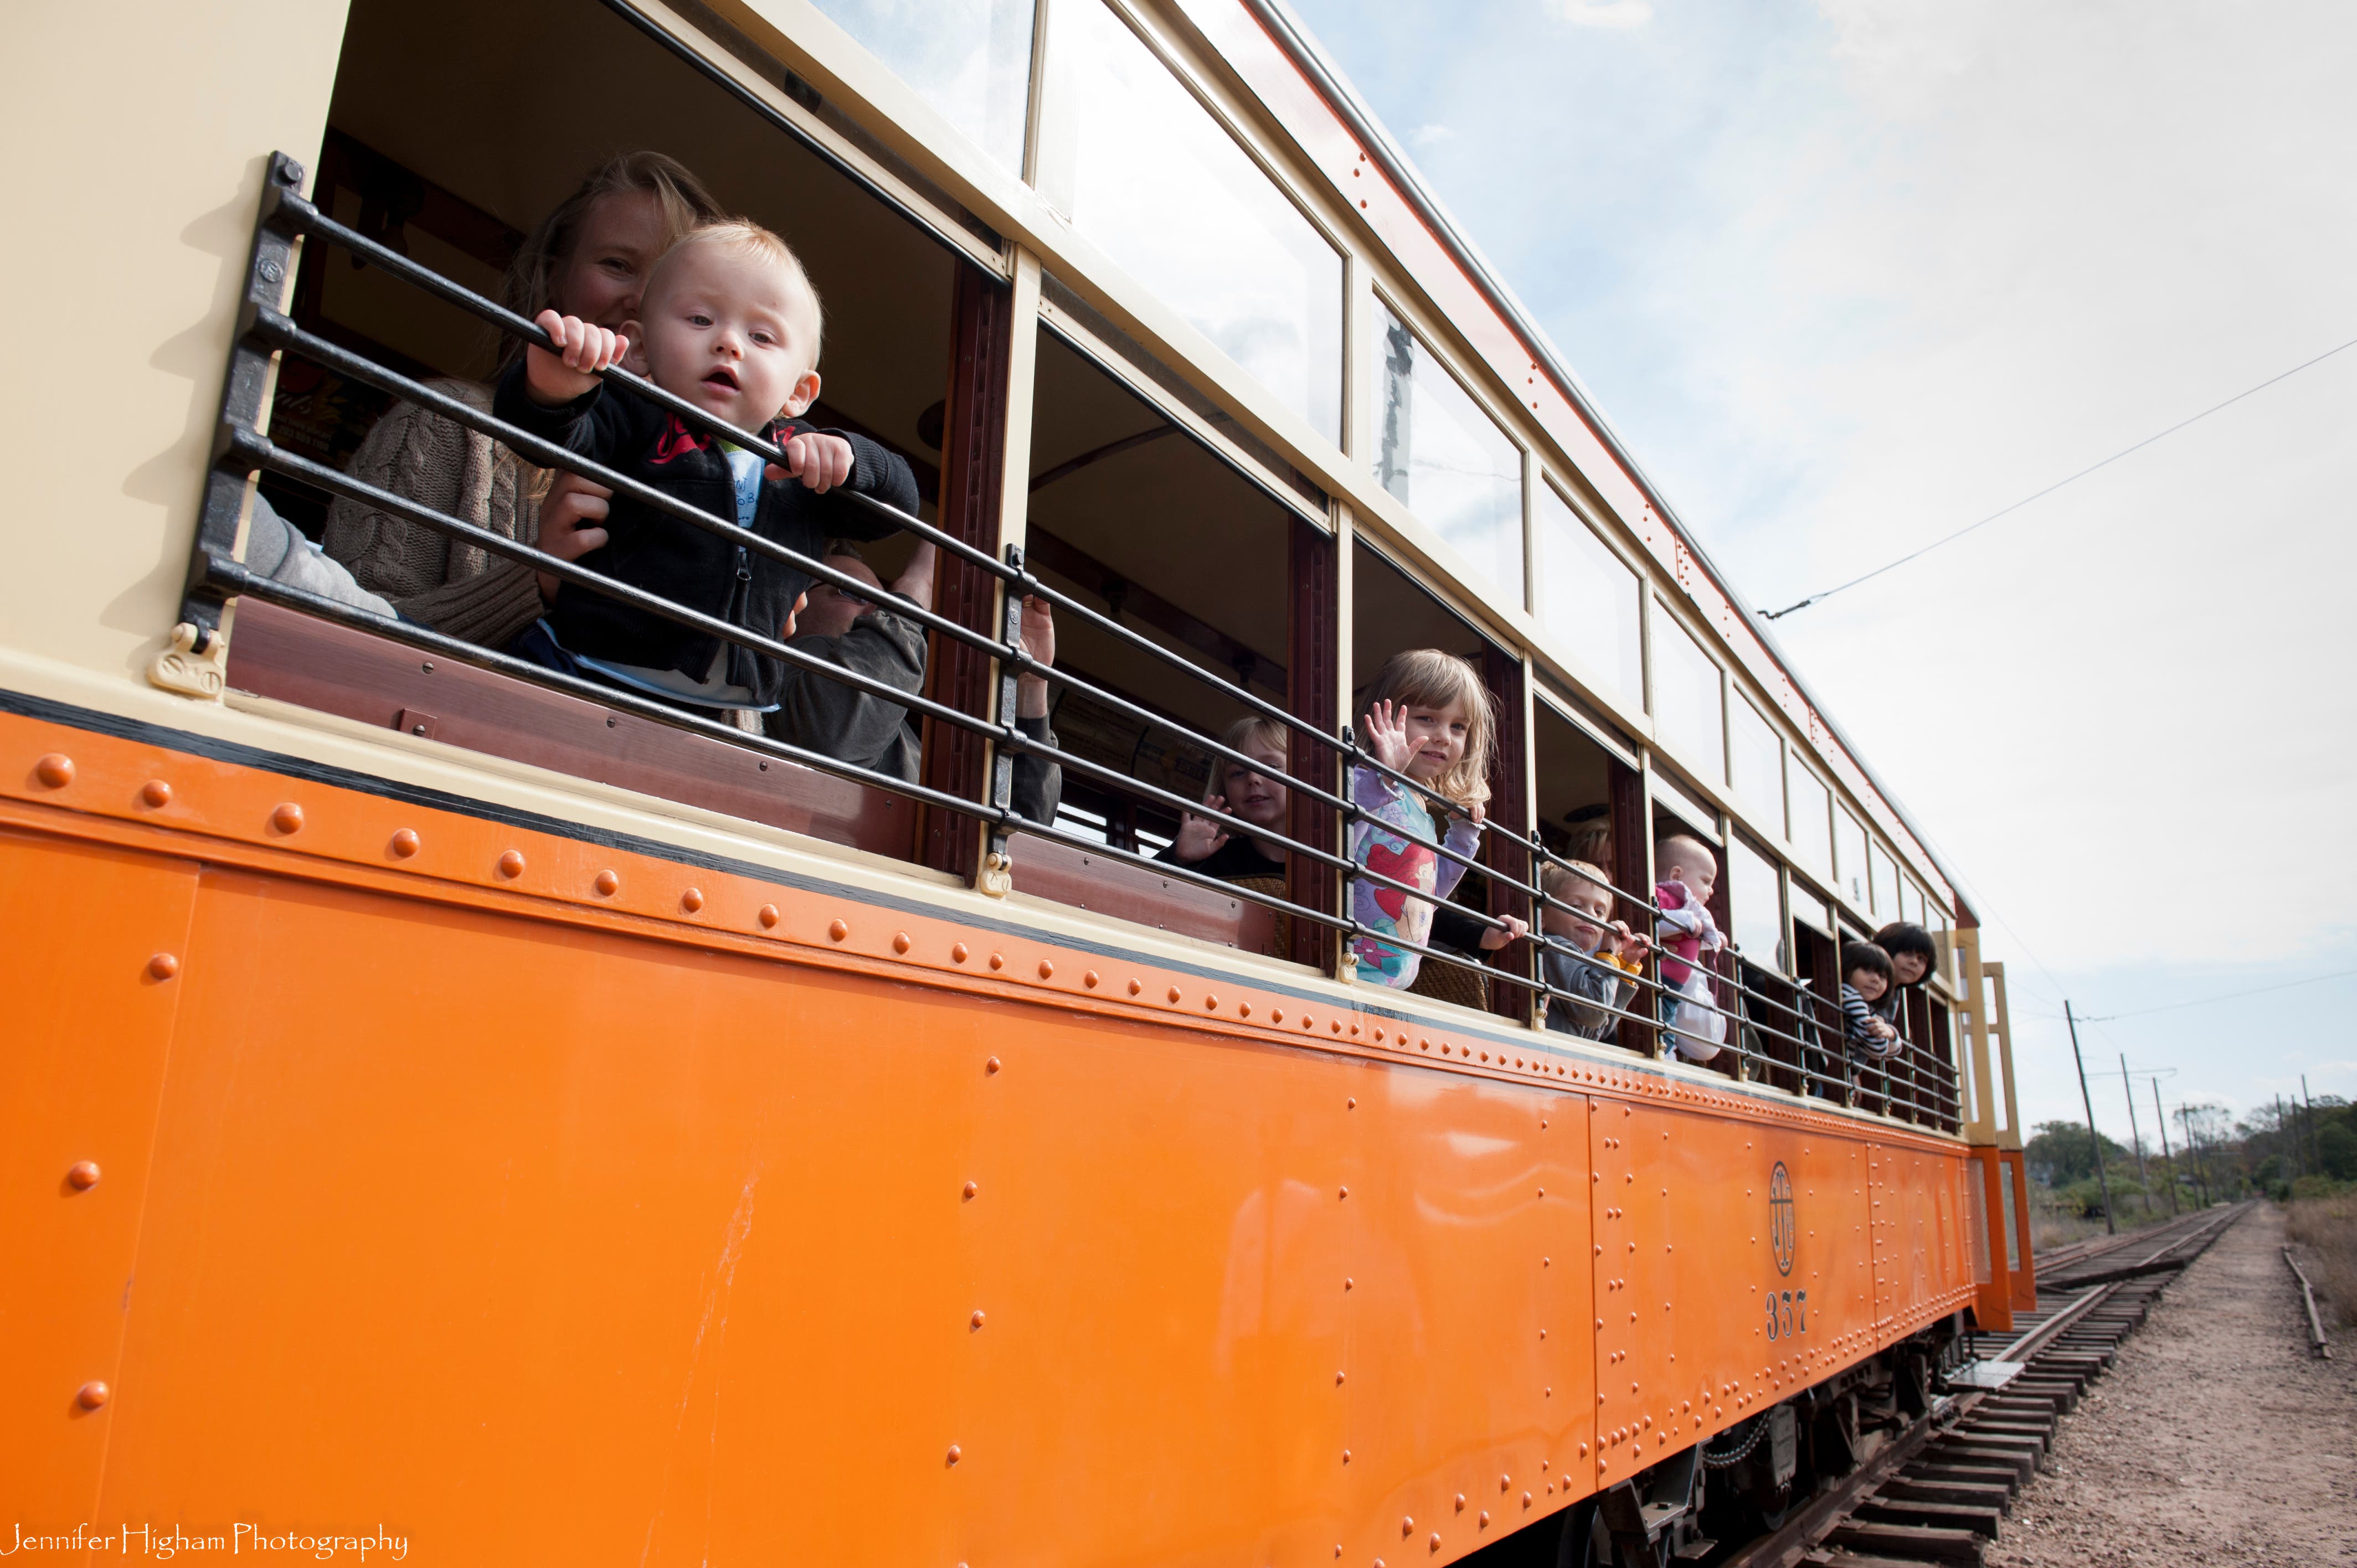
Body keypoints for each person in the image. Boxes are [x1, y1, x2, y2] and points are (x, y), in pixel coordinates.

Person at [493, 220, 919, 711]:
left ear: (798, 392)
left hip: (725, 703)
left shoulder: (799, 456)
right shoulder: (634, 412)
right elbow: (547, 439)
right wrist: (554, 387)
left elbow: (896, 510)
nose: (729, 344)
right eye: (700, 320)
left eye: (761, 336)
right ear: (640, 348)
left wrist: (852, 458)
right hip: (583, 665)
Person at [323, 152, 728, 647]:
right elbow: (337, 632)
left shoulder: (723, 488)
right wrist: (536, 579)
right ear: (555, 274)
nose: (642, 300)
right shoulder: (444, 424)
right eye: (617, 264)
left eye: (673, 284)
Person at [763, 540, 1061, 822]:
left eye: (882, 602)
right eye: (853, 592)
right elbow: (837, 736)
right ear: (796, 601)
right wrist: (919, 583)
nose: (877, 612)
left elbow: (1024, 822)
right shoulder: (781, 674)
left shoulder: (897, 726)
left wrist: (1031, 686)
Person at [1345, 649, 1510, 989]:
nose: (1444, 737)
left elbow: (1430, 894)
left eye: (1459, 726)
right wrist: (1384, 775)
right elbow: (1340, 837)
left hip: (1395, 983)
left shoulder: (1421, 808)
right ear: (1385, 717)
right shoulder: (1365, 781)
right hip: (1350, 968)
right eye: (1427, 719)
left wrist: (1464, 834)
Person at [1163, 715, 1293, 883]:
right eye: (1238, 773)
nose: (1253, 778)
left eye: (1271, 767)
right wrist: (1179, 859)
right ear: (1224, 790)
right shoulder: (1215, 860)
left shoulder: (1330, 853)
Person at [1540, 859, 1650, 1041]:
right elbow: (1595, 1013)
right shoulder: (1554, 948)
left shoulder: (1578, 957)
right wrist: (1608, 956)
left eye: (1599, 912)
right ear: (1541, 915)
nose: (1591, 915)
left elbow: (1598, 1027)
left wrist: (1624, 969)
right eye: (1576, 906)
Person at [1654, 833, 1728, 1061]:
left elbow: (1692, 938)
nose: (1711, 890)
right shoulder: (1664, 897)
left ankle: (1666, 1053)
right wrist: (1685, 922)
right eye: (1706, 881)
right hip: (1663, 985)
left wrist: (1712, 939)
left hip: (1674, 989)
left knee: (1668, 1020)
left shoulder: (1690, 909)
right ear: (1677, 876)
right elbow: (1656, 920)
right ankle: (1663, 1055)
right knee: (1662, 1024)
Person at [1868, 920, 1937, 1044]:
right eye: (1907, 953)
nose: (1914, 962)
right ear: (1887, 949)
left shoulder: (1894, 992)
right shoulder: (1868, 980)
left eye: (1922, 959)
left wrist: (1891, 1035)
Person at [1840, 941, 1902, 1059]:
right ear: (1847, 968)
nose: (1876, 980)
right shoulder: (1849, 996)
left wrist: (1891, 1034)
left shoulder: (1864, 1005)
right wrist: (1887, 1037)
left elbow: (1888, 1055)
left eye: (1883, 976)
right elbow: (1878, 1050)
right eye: (1868, 971)